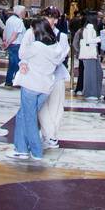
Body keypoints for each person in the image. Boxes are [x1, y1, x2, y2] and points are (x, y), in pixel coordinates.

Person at [8, 16, 68, 161]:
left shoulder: (36, 46)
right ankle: (20, 148)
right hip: (46, 86)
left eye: (32, 29)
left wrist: (27, 40)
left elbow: (22, 54)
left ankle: (35, 151)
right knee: (24, 115)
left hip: (31, 85)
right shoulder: (56, 47)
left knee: (28, 118)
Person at [36, 7, 68, 149]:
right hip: (40, 74)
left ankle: (51, 136)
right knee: (42, 106)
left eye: (52, 17)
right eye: (47, 16)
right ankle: (48, 135)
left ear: (56, 20)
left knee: (56, 107)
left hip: (56, 74)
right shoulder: (35, 33)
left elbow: (60, 57)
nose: (49, 20)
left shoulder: (62, 36)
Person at [76, 10, 103, 100]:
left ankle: (92, 92)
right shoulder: (90, 27)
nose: (98, 19)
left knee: (94, 73)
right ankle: (91, 93)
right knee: (91, 74)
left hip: (90, 53)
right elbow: (89, 40)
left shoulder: (87, 27)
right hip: (90, 53)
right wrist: (100, 38)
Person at [2, 3, 26, 87]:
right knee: (16, 64)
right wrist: (8, 43)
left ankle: (9, 81)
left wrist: (5, 41)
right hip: (16, 44)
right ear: (20, 12)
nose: (24, 13)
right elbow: (15, 34)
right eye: (23, 12)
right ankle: (16, 81)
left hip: (11, 44)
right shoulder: (18, 21)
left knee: (12, 64)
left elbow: (4, 31)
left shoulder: (9, 19)